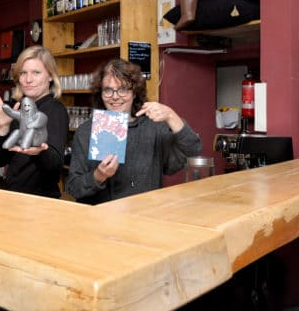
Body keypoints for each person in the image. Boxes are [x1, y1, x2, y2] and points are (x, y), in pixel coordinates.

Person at [66, 58, 201, 204]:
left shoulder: (153, 127)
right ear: (101, 93)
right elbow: (74, 188)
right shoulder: (86, 131)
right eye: (108, 90)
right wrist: (98, 176)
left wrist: (171, 116)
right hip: (99, 214)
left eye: (123, 89)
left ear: (135, 92)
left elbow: (193, 150)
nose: (115, 96)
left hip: (144, 213)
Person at [0, 45, 69, 198]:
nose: (28, 79)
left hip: (41, 202)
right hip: (15, 198)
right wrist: (2, 128)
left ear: (50, 76)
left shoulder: (55, 110)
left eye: (36, 73)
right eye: (23, 73)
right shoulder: (20, 108)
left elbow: (55, 167)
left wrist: (40, 150)